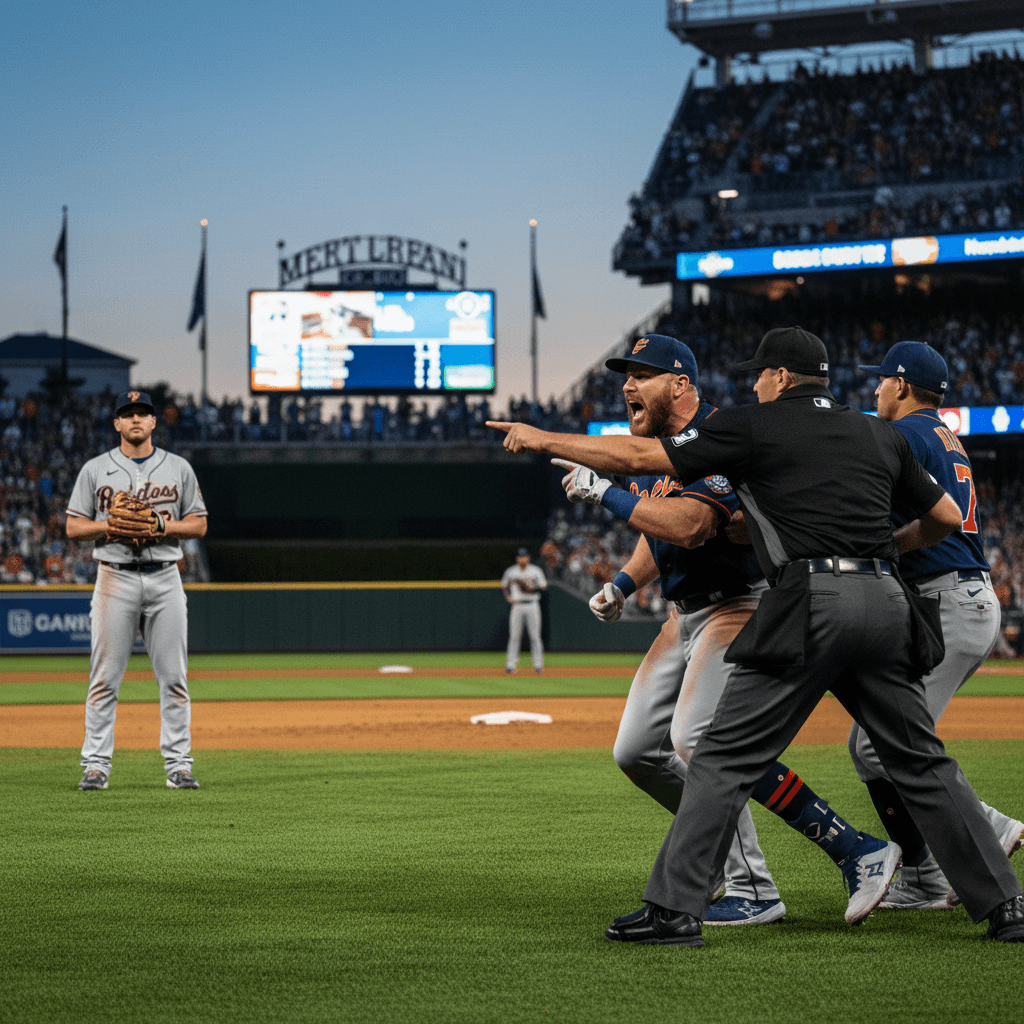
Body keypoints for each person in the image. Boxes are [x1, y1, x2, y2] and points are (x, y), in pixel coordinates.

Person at [488, 327, 1024, 946]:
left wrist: (539, 437)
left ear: (781, 377)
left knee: (718, 753)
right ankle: (1007, 907)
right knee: (920, 759)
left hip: (812, 601)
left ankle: (676, 909)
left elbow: (641, 460)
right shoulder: (875, 431)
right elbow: (945, 519)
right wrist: (881, 551)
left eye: (759, 374)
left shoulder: (755, 424)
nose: (753, 384)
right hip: (885, 601)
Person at [556, 335, 911, 928]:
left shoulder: (718, 436)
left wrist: (605, 493)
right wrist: (622, 582)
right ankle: (726, 858)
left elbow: (691, 525)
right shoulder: (657, 445)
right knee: (636, 750)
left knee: (699, 740)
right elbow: (658, 528)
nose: (627, 385)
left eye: (641, 375)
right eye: (626, 375)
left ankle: (769, 882)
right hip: (683, 613)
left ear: (680, 383)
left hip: (738, 606)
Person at [849, 342, 1024, 908]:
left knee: (882, 745)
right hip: (953, 599)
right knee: (873, 741)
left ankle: (984, 832)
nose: (875, 389)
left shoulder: (906, 435)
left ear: (901, 386)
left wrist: (887, 547)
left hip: (950, 599)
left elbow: (935, 523)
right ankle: (926, 878)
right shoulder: (940, 433)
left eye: (881, 382)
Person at [67, 391, 209, 791]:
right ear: (117, 424)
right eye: (127, 414)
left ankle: (179, 766)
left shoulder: (178, 468)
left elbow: (198, 524)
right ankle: (95, 766)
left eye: (142, 413)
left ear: (152, 423)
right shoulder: (95, 470)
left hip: (165, 577)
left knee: (174, 678)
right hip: (114, 577)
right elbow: (74, 527)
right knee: (104, 679)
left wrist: (161, 526)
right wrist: (110, 526)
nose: (135, 419)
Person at [501, 547, 547, 674]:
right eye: (520, 556)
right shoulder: (511, 571)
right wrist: (508, 597)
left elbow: (543, 585)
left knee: (535, 636)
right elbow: (504, 585)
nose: (523, 558)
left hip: (533, 604)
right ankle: (510, 664)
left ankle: (538, 664)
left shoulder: (535, 570)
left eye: (525, 556)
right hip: (517, 605)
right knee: (514, 636)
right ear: (517, 558)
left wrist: (532, 586)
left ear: (528, 557)